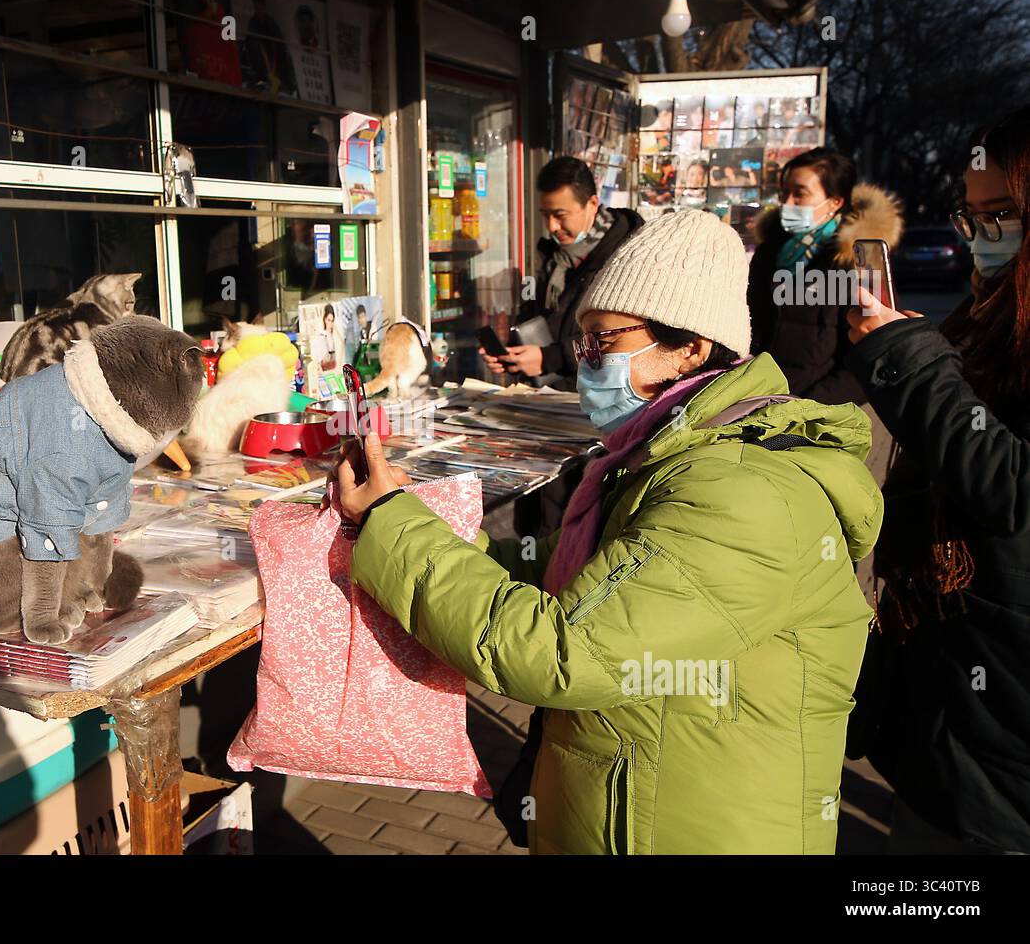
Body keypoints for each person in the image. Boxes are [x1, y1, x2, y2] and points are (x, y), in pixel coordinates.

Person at [336, 209, 883, 853]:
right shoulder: (658, 453)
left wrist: (391, 525)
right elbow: (588, 585)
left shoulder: (738, 490)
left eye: (606, 341)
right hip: (632, 808)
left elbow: (562, 651)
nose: (587, 362)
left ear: (691, 347)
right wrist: (426, 522)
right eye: (582, 342)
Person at [845, 106, 1030, 854]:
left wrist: (912, 361)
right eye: (972, 215)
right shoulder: (995, 312)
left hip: (1005, 737)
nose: (983, 235)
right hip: (956, 699)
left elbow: (1012, 482)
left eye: (1004, 214)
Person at [747, 147, 903, 405]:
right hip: (755, 401)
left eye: (800, 193)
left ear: (835, 202)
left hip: (814, 414)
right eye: (784, 192)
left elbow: (873, 356)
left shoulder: (860, 264)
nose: (787, 203)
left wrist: (809, 406)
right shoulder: (769, 253)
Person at [482, 157, 641, 389]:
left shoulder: (627, 255)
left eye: (560, 215)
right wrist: (512, 351)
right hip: (550, 395)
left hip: (603, 399)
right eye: (545, 214)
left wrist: (550, 358)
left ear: (592, 204)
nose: (552, 226)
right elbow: (532, 313)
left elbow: (625, 337)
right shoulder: (549, 256)